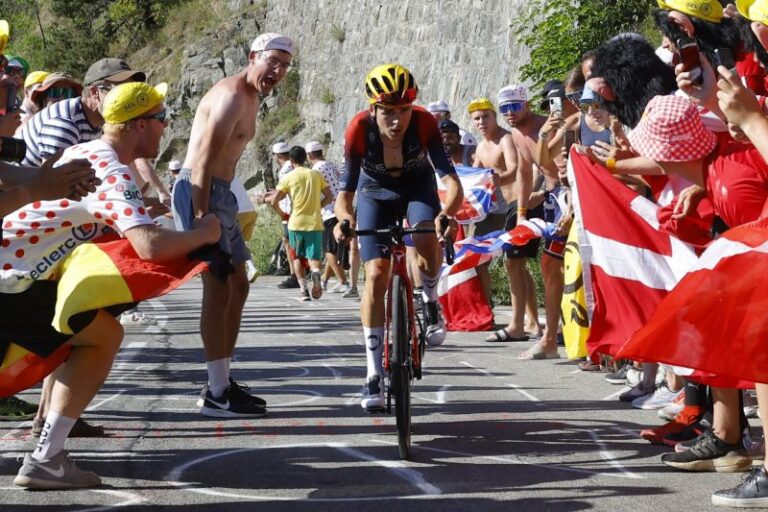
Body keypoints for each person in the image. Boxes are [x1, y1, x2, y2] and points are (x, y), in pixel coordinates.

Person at [3, 81, 221, 489]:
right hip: (12, 282)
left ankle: (48, 452)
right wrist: (206, 234)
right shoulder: (112, 170)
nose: (165, 127)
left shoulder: (87, 150)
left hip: (15, 276)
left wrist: (143, 210)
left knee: (91, 330)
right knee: (101, 337)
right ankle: (46, 459)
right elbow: (150, 247)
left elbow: (99, 213)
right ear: (139, 125)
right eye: (160, 119)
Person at [171, 32, 294, 418]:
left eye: (285, 65)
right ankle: (216, 392)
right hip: (199, 190)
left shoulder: (253, 97)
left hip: (221, 193)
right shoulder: (230, 95)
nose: (278, 70)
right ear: (252, 55)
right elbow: (204, 160)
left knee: (239, 285)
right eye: (272, 60)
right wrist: (201, 214)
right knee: (220, 286)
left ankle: (221, 381)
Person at [334, 63, 463, 411]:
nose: (397, 120)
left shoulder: (424, 124)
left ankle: (432, 300)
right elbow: (345, 192)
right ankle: (373, 373)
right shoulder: (358, 130)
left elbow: (452, 183)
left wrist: (446, 214)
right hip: (373, 191)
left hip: (416, 187)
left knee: (425, 237)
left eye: (403, 110)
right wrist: (344, 219)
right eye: (388, 112)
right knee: (376, 273)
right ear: (372, 109)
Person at [268, 146, 331, 300]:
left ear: (291, 159)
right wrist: (318, 207)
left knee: (297, 257)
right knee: (313, 257)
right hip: (315, 222)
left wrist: (282, 213)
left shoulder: (288, 177)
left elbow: (274, 200)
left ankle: (303, 290)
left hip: (295, 222)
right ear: (305, 158)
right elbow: (329, 196)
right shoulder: (315, 175)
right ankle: (316, 274)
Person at [305, 140, 349, 293]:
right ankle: (324, 279)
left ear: (309, 155)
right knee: (334, 248)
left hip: (329, 211)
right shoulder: (331, 165)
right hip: (341, 208)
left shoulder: (315, 170)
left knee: (329, 249)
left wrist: (316, 207)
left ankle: (343, 281)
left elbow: (321, 192)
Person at [271, 141, 300, 289]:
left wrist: (269, 198)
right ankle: (297, 273)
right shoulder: (291, 167)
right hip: (293, 209)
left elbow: (283, 193)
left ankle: (295, 275)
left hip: (289, 211)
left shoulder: (285, 170)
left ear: (277, 155)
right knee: (290, 241)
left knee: (289, 243)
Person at [230, 174, 260, 283]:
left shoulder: (220, 174)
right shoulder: (232, 174)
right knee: (241, 243)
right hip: (250, 210)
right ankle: (251, 267)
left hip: (238, 212)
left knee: (232, 243)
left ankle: (249, 269)